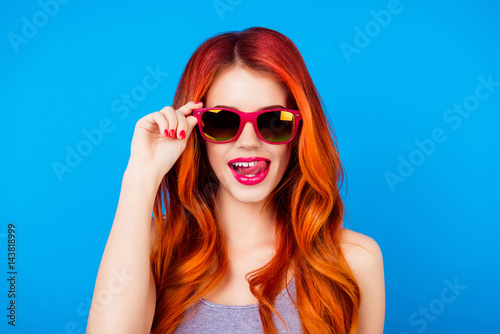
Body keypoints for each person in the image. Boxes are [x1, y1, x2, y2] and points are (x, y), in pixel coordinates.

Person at [87, 26, 385, 334]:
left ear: (298, 133)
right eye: (223, 121)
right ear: (197, 133)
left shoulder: (353, 261)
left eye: (273, 122)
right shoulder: (153, 248)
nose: (248, 141)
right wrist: (140, 174)